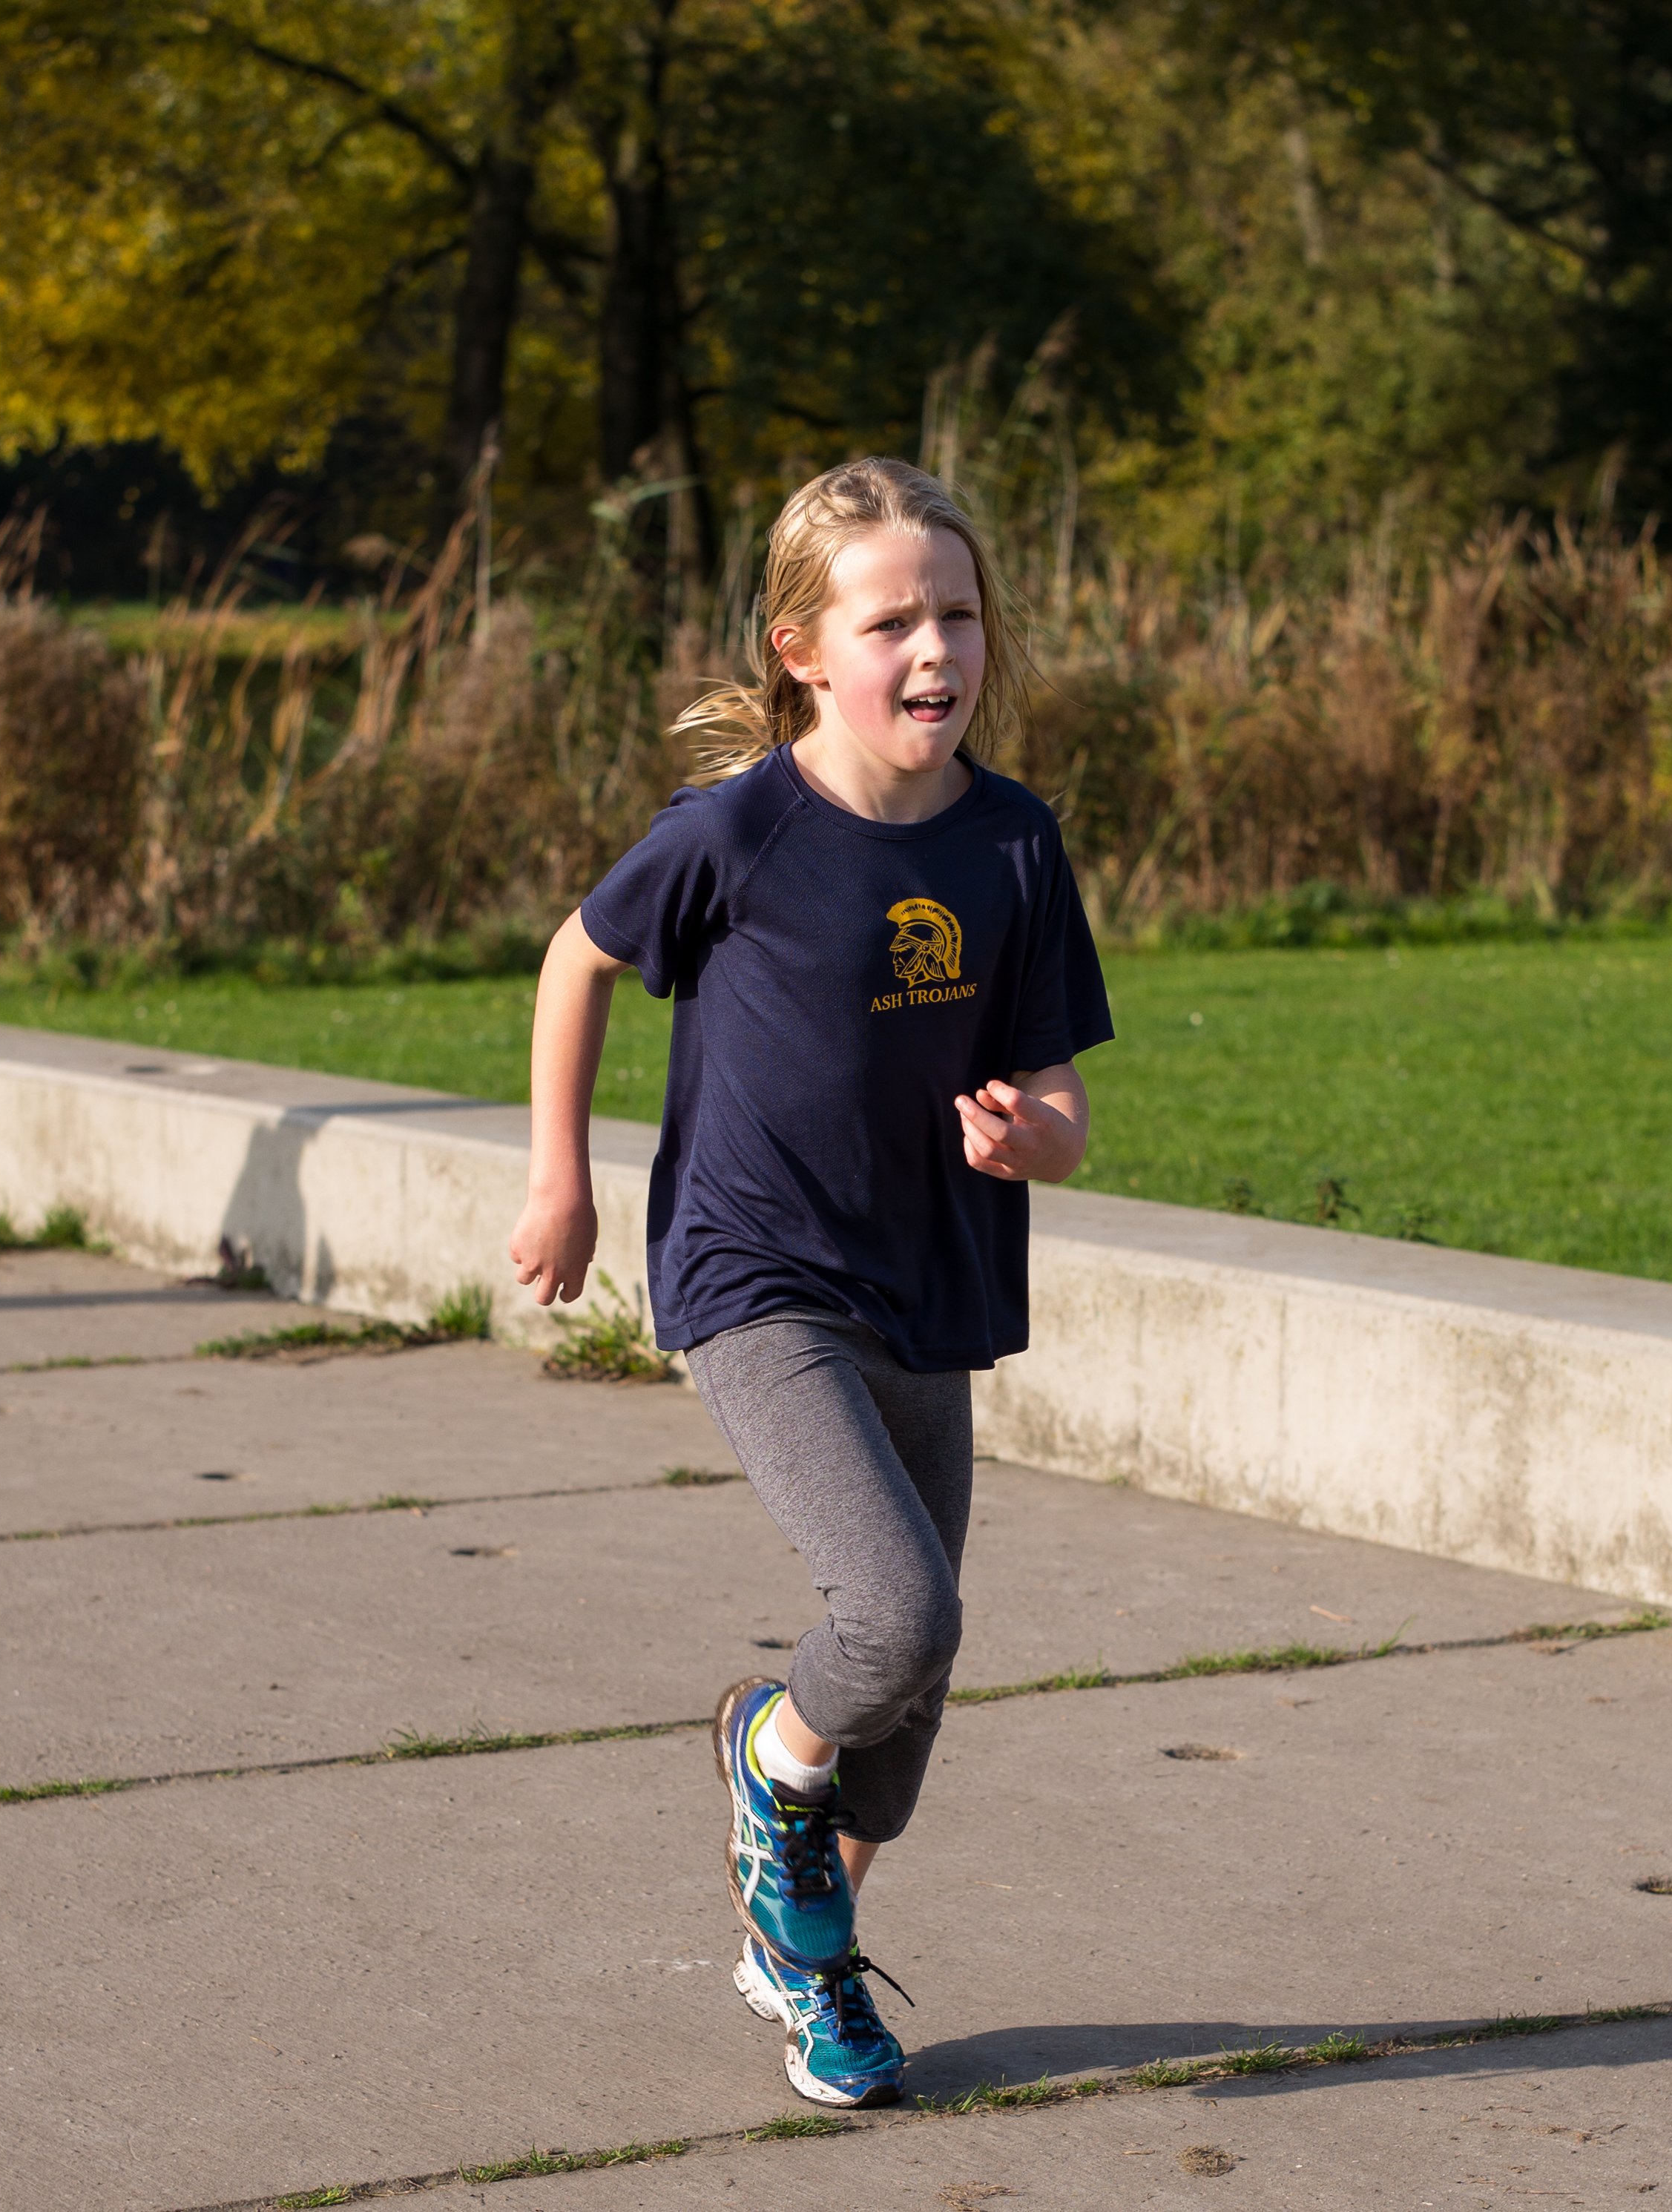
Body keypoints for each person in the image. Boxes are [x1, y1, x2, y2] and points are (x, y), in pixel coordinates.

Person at [506, 456, 1112, 2109]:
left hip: (934, 1281)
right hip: (755, 1273)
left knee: (905, 1727)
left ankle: (797, 1939)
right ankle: (768, 1752)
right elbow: (581, 956)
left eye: (962, 615)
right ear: (800, 646)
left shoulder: (1013, 844)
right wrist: (559, 1175)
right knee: (894, 1615)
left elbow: (1057, 1089)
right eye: (893, 619)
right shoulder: (741, 831)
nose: (938, 651)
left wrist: (1033, 1140)